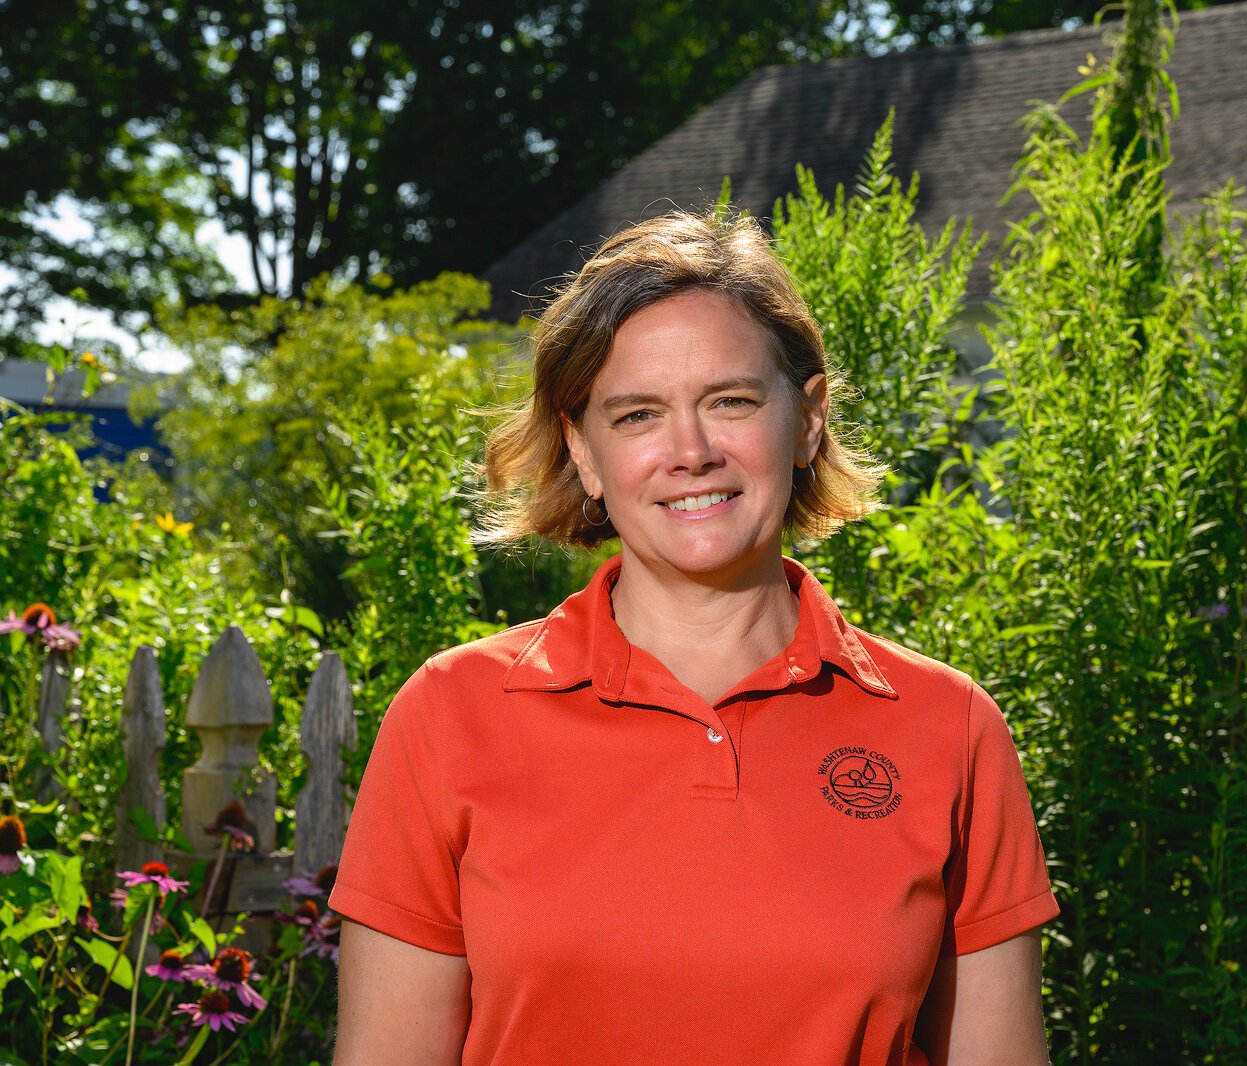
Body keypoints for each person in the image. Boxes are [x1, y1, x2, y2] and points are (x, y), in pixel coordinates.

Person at [329, 210, 1059, 1066]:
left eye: (731, 401)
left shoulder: (948, 726)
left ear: (808, 419)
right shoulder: (451, 716)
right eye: (638, 415)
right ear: (585, 452)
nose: (691, 451)